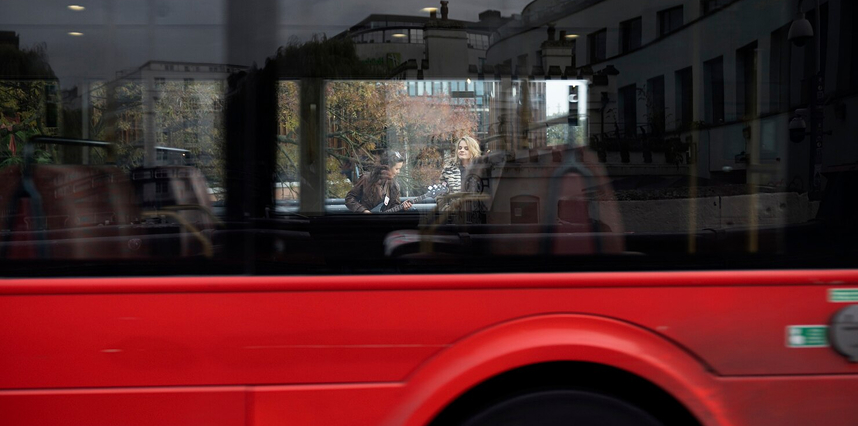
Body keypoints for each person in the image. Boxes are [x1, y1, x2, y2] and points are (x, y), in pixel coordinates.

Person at [345, 151, 412, 214]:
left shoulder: (394, 185)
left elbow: (393, 206)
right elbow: (350, 198)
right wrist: (363, 211)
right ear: (387, 167)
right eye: (397, 169)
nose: (398, 172)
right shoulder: (366, 179)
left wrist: (402, 207)